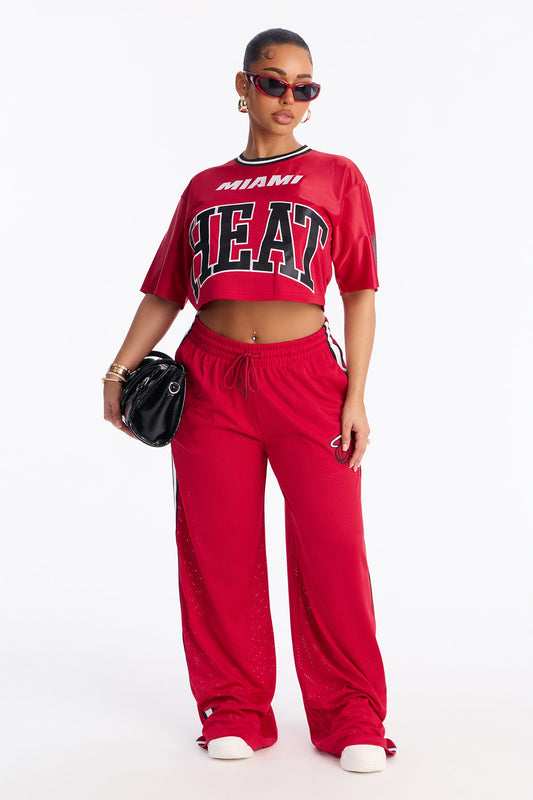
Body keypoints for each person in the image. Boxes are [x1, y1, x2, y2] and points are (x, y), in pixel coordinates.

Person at [103, 28, 396, 773]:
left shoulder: (336, 176)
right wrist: (117, 372)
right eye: (273, 82)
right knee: (217, 550)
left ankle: (351, 713)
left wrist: (357, 395)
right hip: (210, 379)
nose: (288, 99)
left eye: (304, 87)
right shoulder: (204, 188)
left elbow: (360, 291)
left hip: (307, 380)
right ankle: (232, 706)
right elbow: (166, 290)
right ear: (243, 86)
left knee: (332, 549)